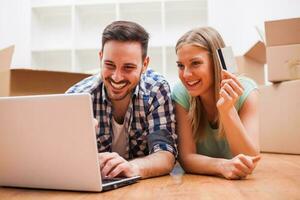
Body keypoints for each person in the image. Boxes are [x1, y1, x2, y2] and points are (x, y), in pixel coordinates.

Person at [66, 21, 177, 179]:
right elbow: (62, 158)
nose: (116, 77)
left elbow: (165, 155)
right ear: (100, 57)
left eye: (128, 67)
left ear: (144, 64)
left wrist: (132, 167)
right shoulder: (76, 97)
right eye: (110, 65)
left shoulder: (156, 91)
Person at [171, 27, 260, 180]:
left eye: (195, 63)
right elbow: (186, 158)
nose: (186, 74)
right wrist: (222, 166)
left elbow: (249, 158)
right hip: (199, 184)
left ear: (216, 63)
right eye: (180, 65)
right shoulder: (181, 93)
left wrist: (227, 110)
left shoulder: (246, 91)